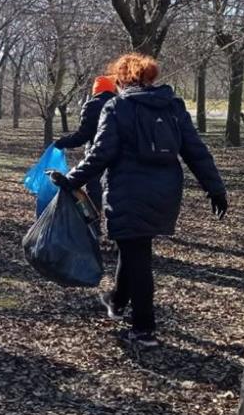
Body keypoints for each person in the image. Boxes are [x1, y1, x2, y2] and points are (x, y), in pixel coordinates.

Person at [50, 53, 228, 348]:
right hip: (165, 194)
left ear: (121, 79)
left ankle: (144, 328)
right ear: (151, 77)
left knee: (138, 256)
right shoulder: (173, 107)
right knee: (133, 248)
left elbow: (100, 154)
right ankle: (117, 301)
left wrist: (71, 179)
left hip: (128, 192)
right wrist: (215, 187)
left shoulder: (117, 106)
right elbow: (195, 149)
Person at [53, 75, 117, 213]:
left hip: (96, 156)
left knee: (93, 192)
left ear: (96, 90)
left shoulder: (92, 105)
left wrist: (61, 142)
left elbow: (82, 136)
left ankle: (94, 223)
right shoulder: (120, 104)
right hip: (117, 158)